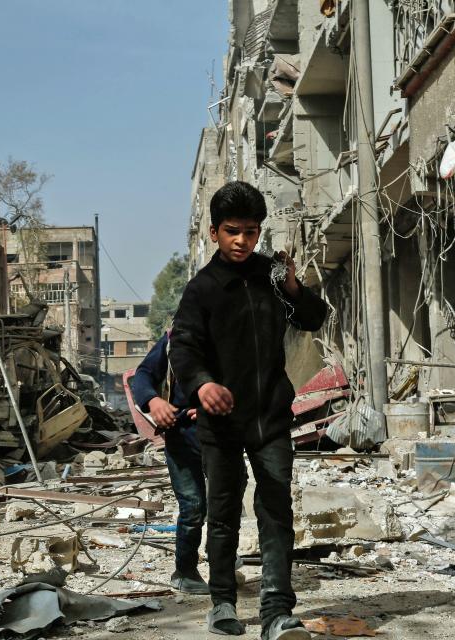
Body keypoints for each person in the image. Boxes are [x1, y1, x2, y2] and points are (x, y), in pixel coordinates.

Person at [170, 181, 329, 640]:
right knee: (221, 514)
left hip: (271, 418)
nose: (243, 241)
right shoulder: (201, 290)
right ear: (215, 231)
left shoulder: (271, 277)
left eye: (252, 232)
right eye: (233, 231)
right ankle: (222, 603)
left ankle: (277, 611)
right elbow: (183, 348)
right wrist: (202, 386)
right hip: (221, 424)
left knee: (276, 508)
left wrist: (295, 287)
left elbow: (312, 319)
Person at [129, 332, 210, 594]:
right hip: (183, 435)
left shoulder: (233, 332)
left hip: (222, 435)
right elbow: (142, 376)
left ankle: (223, 559)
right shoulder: (173, 339)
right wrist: (153, 401)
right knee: (193, 505)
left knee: (227, 502)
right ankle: (185, 571)